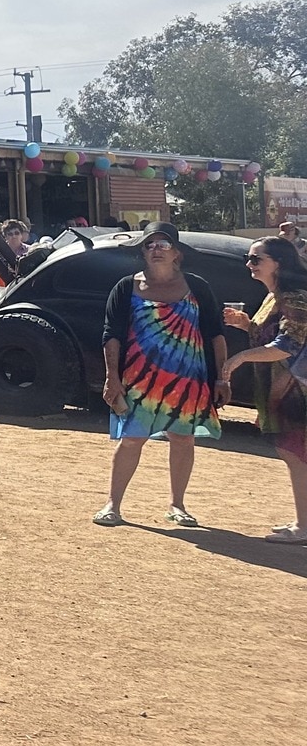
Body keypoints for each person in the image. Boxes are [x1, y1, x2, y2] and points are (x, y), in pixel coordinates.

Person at [95, 222, 227, 529]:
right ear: (142, 251)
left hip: (188, 379)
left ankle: (177, 505)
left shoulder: (197, 287)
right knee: (131, 439)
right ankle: (112, 504)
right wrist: (111, 377)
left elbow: (216, 334)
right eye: (150, 244)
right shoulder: (126, 288)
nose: (156, 250)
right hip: (139, 380)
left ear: (177, 253)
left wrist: (222, 377)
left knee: (182, 439)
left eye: (163, 244)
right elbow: (111, 335)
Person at [218, 236, 307, 543]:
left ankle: (304, 527)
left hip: (296, 390)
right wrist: (247, 325)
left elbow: (287, 345)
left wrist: (240, 357)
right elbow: (271, 335)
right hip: (282, 388)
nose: (249, 264)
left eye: (256, 259)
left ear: (278, 263)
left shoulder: (293, 298)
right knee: (293, 453)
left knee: (295, 453)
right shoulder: (275, 296)